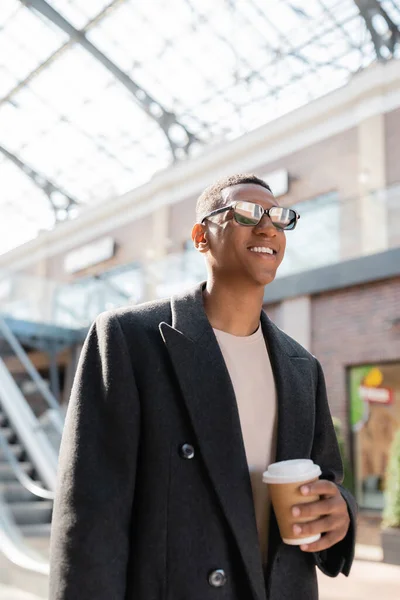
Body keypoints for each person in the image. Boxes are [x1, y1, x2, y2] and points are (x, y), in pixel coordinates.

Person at [49, 173, 356, 600]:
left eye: (279, 217)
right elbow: (92, 516)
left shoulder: (303, 366)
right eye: (247, 213)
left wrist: (341, 513)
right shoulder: (129, 339)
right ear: (201, 236)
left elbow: (327, 483)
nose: (268, 226)